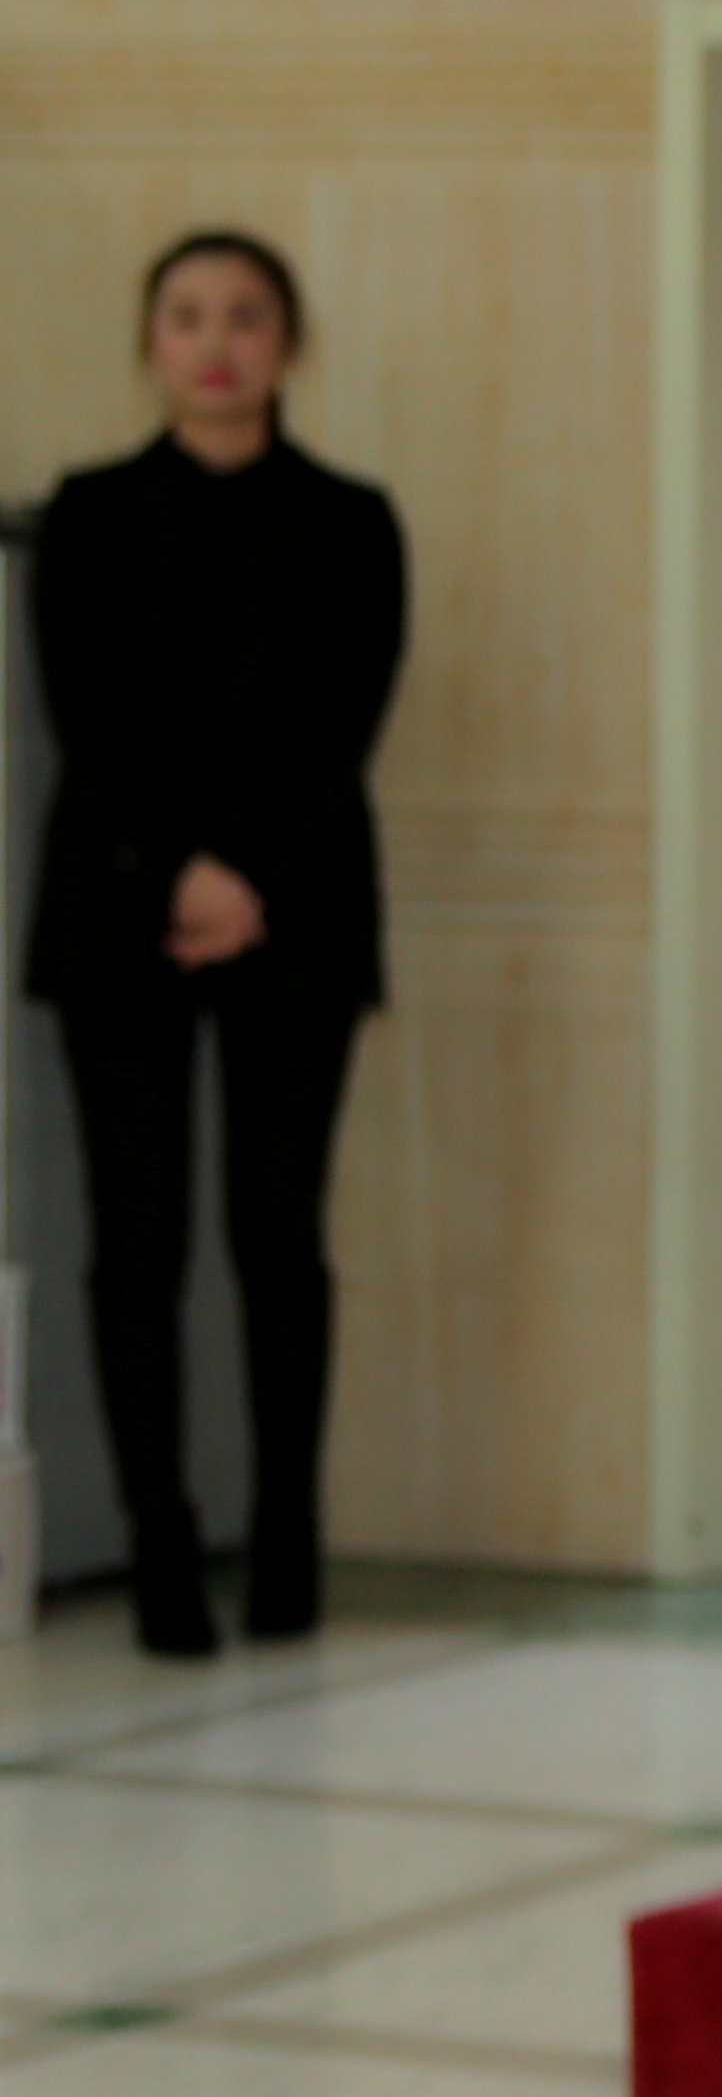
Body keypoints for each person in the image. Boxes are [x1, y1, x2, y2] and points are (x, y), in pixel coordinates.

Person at [24, 233, 410, 1658]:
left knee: (276, 1236)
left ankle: (288, 1539)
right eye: (187, 317)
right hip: (117, 914)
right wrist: (178, 870)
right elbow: (85, 719)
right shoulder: (87, 516)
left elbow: (344, 719)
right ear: (150, 344)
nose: (216, 344)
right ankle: (161, 1548)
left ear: (288, 344)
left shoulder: (351, 521)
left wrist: (243, 874)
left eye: (245, 317)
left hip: (297, 914)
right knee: (138, 1243)